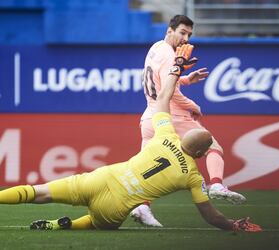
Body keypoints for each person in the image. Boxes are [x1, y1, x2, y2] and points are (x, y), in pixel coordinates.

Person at [0, 44, 261, 232]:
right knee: (97, 223)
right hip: (116, 206)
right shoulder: (192, 176)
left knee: (38, 192)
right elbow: (210, 215)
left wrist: (176, 69)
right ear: (202, 155)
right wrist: (232, 226)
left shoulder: (164, 134)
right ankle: (61, 225)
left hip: (100, 180)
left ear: (185, 137)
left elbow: (163, 97)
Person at [132, 14, 246, 227]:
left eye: (189, 34)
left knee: (147, 167)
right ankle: (216, 185)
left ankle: (142, 205)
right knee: (213, 146)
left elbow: (159, 81)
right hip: (171, 116)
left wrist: (185, 78)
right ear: (169, 30)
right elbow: (169, 93)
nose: (186, 38)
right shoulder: (168, 54)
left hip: (149, 117)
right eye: (182, 33)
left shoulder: (156, 48)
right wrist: (192, 106)